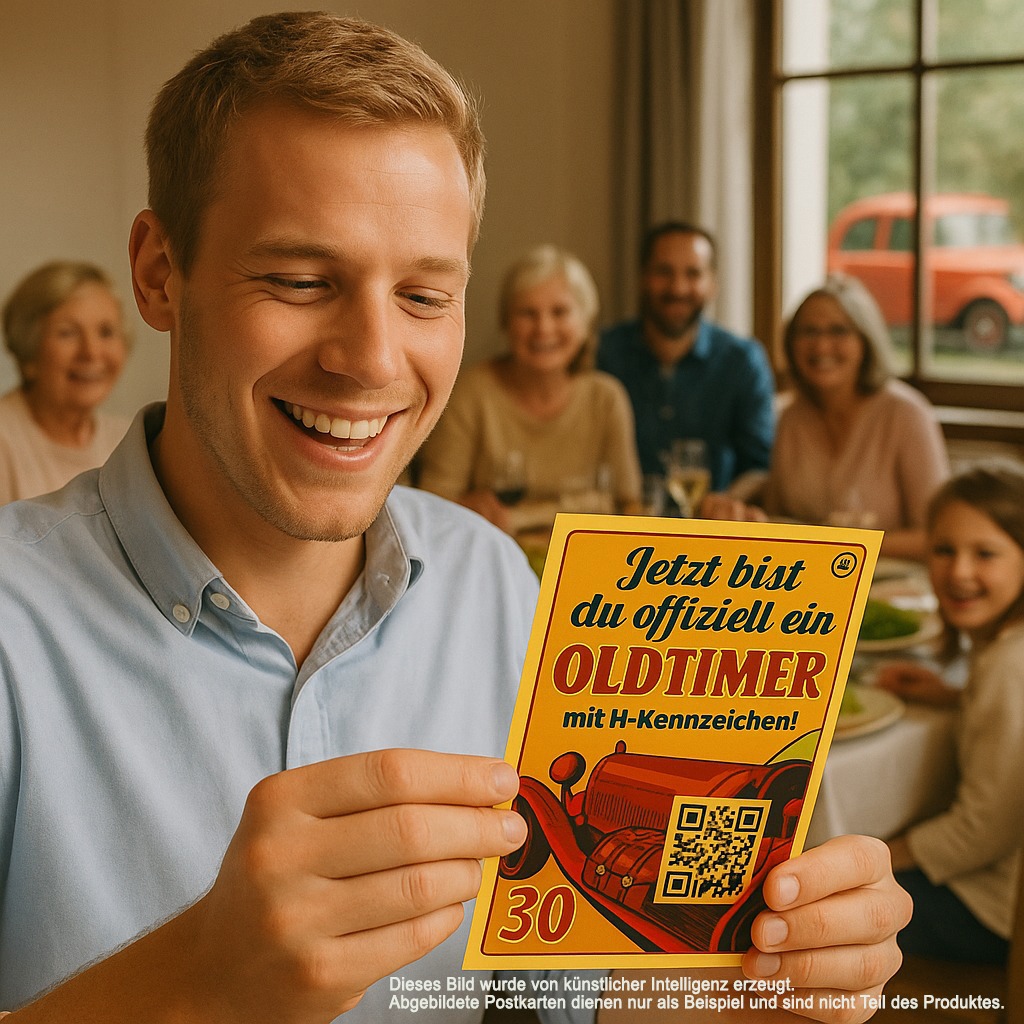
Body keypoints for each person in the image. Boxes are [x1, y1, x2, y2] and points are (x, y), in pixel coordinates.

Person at [0, 12, 909, 1024]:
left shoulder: (494, 583)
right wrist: (194, 982)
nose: (375, 359)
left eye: (425, 295)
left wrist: (748, 990)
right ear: (159, 272)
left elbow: (556, 993)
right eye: (301, 281)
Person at [877, 463, 1024, 964]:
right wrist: (954, 698)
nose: (959, 571)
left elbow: (981, 833)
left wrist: (881, 853)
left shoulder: (1009, 666)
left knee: (808, 903)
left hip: (994, 912)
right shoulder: (1006, 653)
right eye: (944, 550)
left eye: (985, 553)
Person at [703, 275, 949, 560]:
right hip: (810, 584)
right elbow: (779, 515)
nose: (821, 347)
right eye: (808, 332)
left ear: (865, 340)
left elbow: (938, 536)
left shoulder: (906, 414)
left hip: (890, 587)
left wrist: (838, 546)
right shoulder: (788, 417)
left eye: (838, 331)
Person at [418, 244, 642, 533]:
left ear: (586, 322)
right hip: (493, 562)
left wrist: (518, 517)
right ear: (506, 323)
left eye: (560, 312)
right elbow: (433, 503)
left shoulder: (606, 398)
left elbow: (626, 506)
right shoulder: (472, 393)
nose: (543, 329)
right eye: (527, 313)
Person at [598, 222, 775, 493]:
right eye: (663, 272)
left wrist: (728, 501)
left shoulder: (743, 361)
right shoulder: (603, 352)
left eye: (693, 274)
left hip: (709, 527)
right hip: (620, 524)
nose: (678, 288)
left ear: (712, 284)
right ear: (642, 277)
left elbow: (760, 465)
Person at [0, 260, 130, 503]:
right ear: (29, 348)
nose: (91, 352)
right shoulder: (5, 440)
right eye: (67, 333)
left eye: (106, 332)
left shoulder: (129, 441)